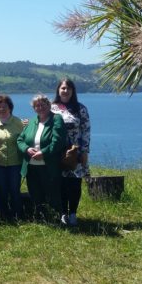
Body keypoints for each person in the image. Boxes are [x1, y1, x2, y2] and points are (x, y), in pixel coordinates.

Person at [17, 94, 66, 221]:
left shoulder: (56, 119)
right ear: (34, 108)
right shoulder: (32, 121)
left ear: (49, 105)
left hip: (48, 165)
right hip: (31, 166)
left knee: (52, 193)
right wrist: (27, 149)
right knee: (35, 193)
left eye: (43, 104)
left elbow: (58, 141)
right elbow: (20, 140)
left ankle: (56, 218)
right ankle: (40, 218)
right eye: (37, 106)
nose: (40, 107)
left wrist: (43, 153)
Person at [51, 78, 91, 226]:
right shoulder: (52, 108)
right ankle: (62, 213)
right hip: (57, 152)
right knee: (60, 184)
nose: (65, 91)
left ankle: (73, 213)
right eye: (62, 88)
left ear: (73, 91)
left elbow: (86, 130)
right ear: (58, 90)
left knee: (74, 183)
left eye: (68, 88)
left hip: (76, 151)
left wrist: (85, 151)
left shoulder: (80, 109)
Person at [0, 94, 25, 220]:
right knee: (0, 190)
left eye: (4, 106)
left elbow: (24, 140)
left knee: (14, 190)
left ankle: (17, 214)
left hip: (15, 162)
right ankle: (2, 215)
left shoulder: (18, 122)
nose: (2, 109)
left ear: (10, 108)